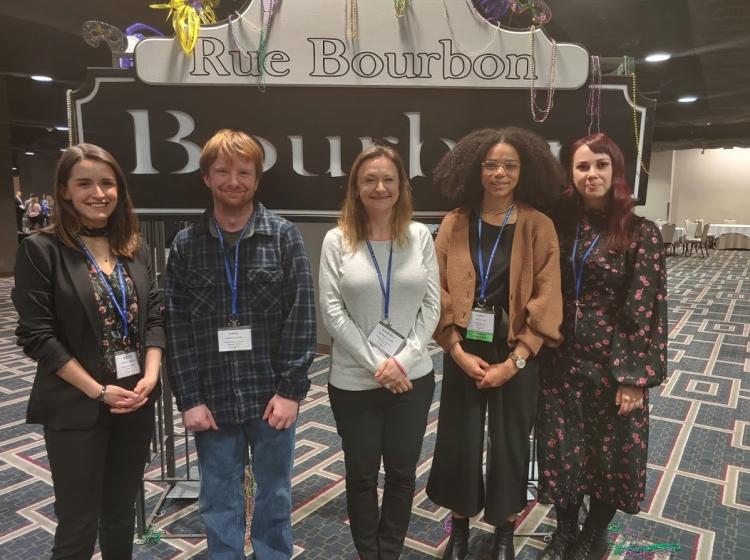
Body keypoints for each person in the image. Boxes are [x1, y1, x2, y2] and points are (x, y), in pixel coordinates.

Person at [164, 129, 316, 560]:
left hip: (271, 400)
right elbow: (177, 329)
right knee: (218, 500)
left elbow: (302, 318)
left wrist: (290, 391)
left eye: (244, 172)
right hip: (211, 402)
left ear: (257, 178)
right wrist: (189, 399)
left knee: (275, 498)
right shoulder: (186, 246)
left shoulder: (284, 237)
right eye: (223, 171)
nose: (234, 180)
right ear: (206, 177)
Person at [12, 144, 165, 559]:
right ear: (64, 191)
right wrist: (98, 391)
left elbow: (154, 318)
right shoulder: (41, 250)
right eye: (85, 183)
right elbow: (38, 337)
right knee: (78, 523)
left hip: (133, 399)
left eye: (107, 183)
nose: (98, 193)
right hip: (77, 405)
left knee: (120, 514)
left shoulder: (135, 248)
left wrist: (150, 377)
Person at [426, 127, 565, 560]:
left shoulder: (538, 225)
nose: (499, 173)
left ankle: (504, 530)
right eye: (490, 164)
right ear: (475, 169)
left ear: (524, 171)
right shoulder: (455, 222)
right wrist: (455, 350)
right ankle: (461, 526)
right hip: (464, 349)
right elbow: (438, 290)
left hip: (515, 351)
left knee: (510, 442)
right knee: (459, 440)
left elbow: (547, 296)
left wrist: (516, 361)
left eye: (509, 165)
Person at [535, 133, 668, 560]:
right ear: (570, 174)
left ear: (616, 171)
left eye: (600, 166)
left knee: (610, 458)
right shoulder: (558, 223)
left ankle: (593, 532)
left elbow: (645, 308)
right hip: (559, 361)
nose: (591, 174)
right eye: (582, 167)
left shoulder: (639, 232)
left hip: (613, 368)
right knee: (563, 453)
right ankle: (565, 529)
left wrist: (633, 379)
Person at [319, 145, 441, 560]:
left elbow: (432, 307)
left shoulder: (420, 235)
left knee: (404, 473)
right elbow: (332, 313)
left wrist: (402, 362)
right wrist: (379, 364)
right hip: (354, 381)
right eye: (369, 179)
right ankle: (367, 554)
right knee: (361, 475)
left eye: (388, 178)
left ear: (401, 185)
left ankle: (389, 552)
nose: (380, 187)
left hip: (412, 377)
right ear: (356, 186)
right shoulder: (337, 239)